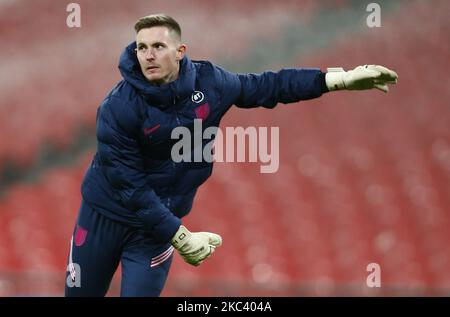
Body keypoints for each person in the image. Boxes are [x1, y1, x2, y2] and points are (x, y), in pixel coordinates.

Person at [64, 13, 398, 297]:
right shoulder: (118, 107)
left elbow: (269, 86)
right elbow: (129, 186)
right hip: (104, 217)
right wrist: (180, 236)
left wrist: (337, 79)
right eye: (141, 47)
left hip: (155, 231)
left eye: (158, 46)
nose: (148, 55)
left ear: (180, 52)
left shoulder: (211, 83)